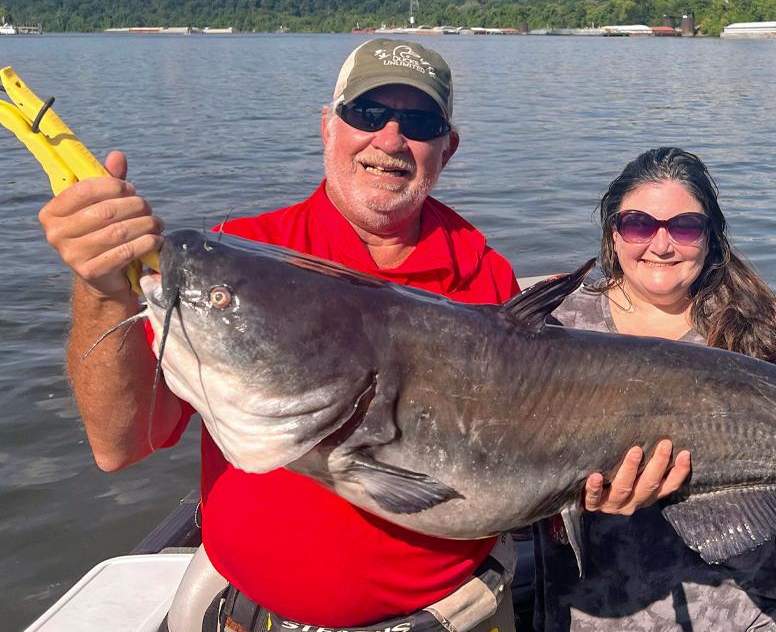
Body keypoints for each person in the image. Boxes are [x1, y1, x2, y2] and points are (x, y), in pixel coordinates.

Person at [36, 39, 690, 632]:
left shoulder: (482, 272)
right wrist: (103, 288)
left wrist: (596, 485)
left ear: (447, 147)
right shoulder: (247, 252)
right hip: (256, 617)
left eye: (421, 123)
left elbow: (517, 464)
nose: (390, 137)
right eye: (367, 111)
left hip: (453, 615)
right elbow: (121, 444)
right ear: (329, 125)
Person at [533, 147, 776, 632]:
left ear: (710, 238)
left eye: (684, 227)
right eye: (639, 223)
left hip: (750, 612)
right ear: (612, 233)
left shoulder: (760, 328)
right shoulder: (557, 325)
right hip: (595, 613)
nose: (661, 245)